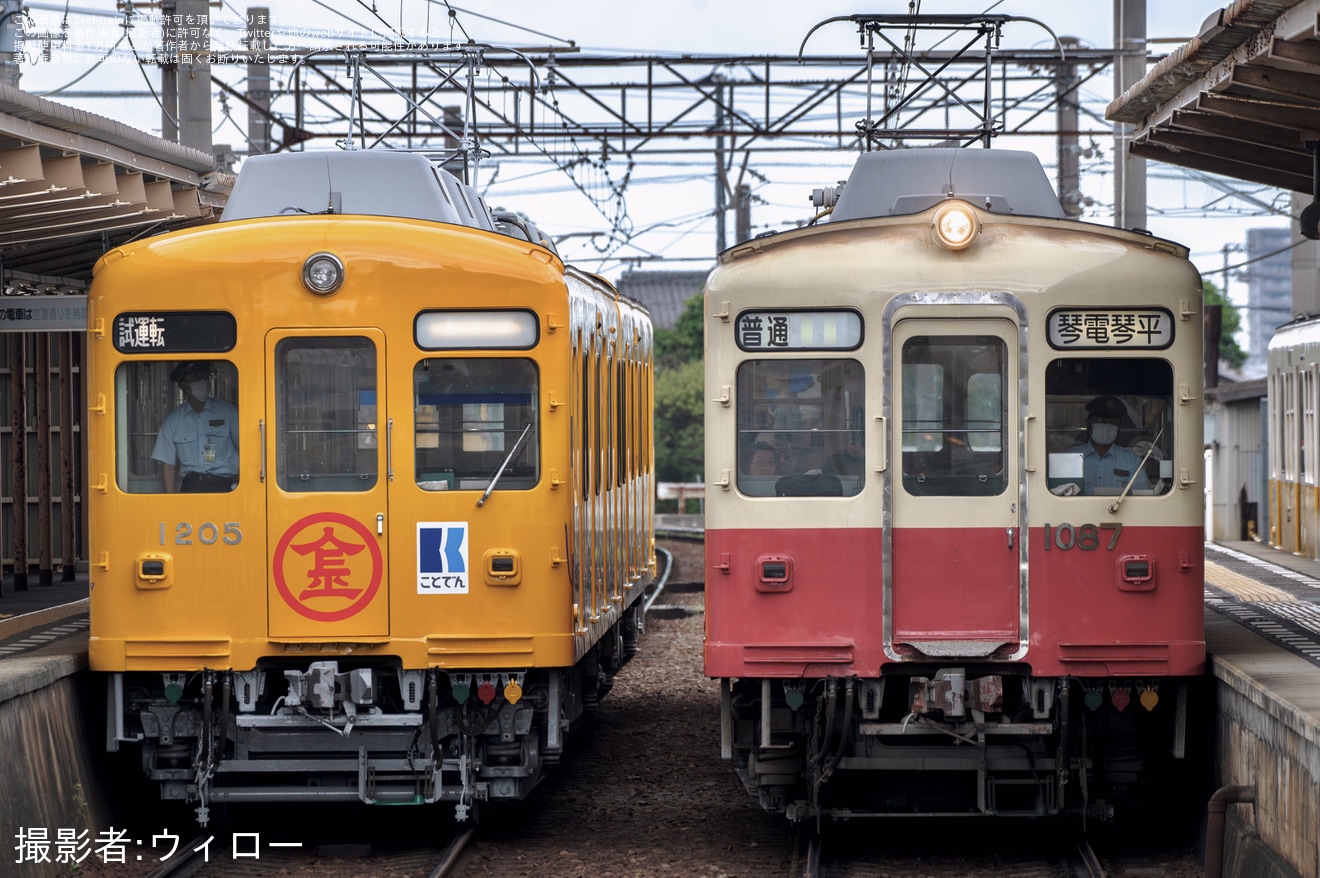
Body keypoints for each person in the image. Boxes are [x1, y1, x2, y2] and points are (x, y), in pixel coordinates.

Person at [151, 361, 239, 492]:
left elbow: (248, 452)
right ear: (183, 386)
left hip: (225, 488)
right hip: (192, 488)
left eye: (205, 378)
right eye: (196, 379)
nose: (203, 383)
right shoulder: (174, 421)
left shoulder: (228, 412)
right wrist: (170, 502)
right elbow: (168, 466)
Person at [1066, 395, 1150, 495]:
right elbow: (1057, 498)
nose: (1106, 426)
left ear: (1119, 428)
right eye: (1100, 421)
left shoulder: (1131, 461)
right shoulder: (1070, 458)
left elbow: (1143, 499)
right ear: (1088, 425)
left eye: (1112, 422)